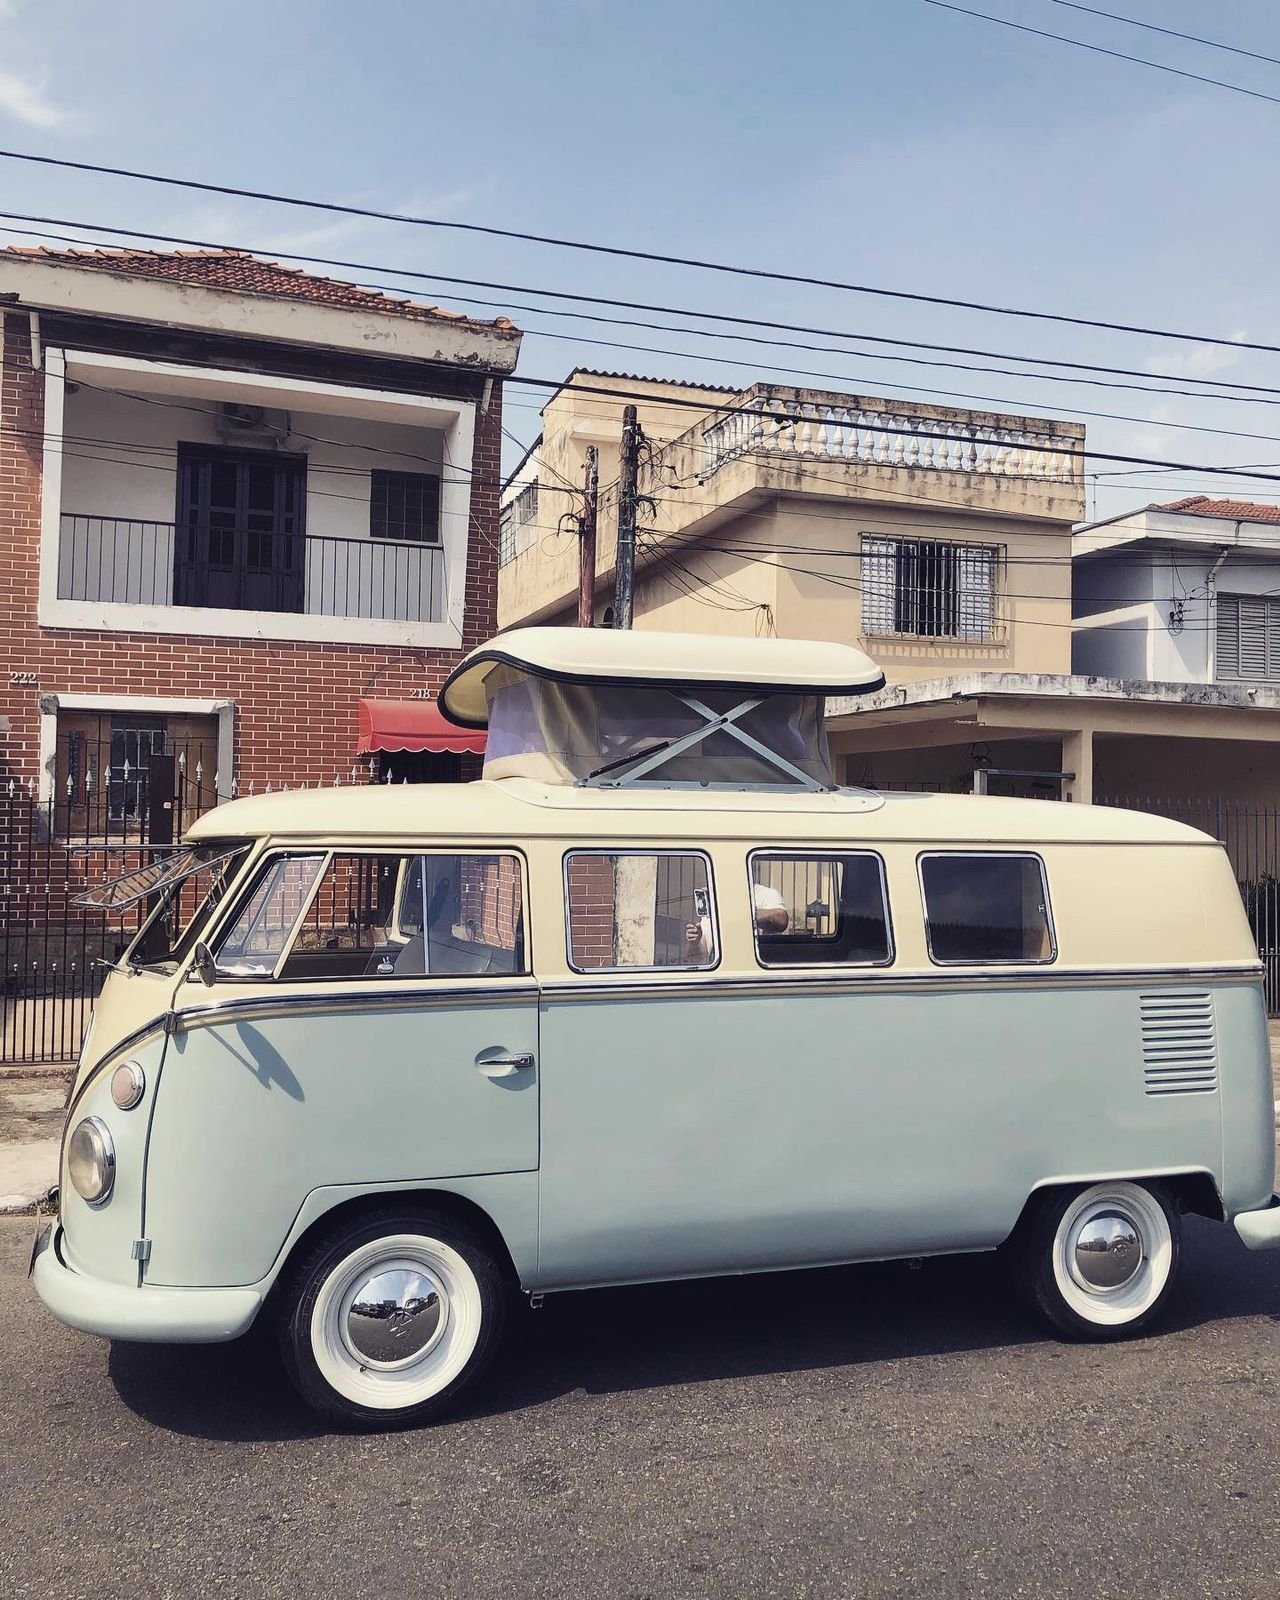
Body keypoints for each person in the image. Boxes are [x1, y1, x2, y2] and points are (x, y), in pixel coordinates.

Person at [684, 879, 789, 963]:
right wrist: (694, 942)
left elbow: (781, 920)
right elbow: (697, 959)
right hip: (723, 975)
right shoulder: (715, 899)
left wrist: (740, 909)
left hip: (756, 973)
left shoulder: (765, 894)